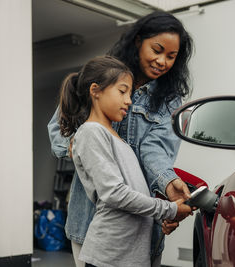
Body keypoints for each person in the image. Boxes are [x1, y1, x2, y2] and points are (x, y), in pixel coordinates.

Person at [47, 11, 194, 267]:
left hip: (140, 224)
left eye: (171, 56)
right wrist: (82, 147)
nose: (162, 61)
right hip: (92, 220)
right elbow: (60, 131)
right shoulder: (101, 77)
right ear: (138, 41)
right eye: (157, 50)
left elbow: (154, 151)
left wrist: (168, 184)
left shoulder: (169, 99)